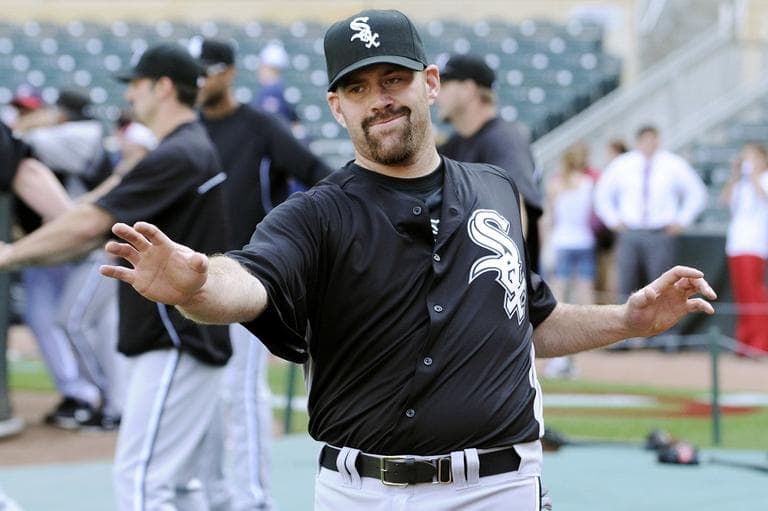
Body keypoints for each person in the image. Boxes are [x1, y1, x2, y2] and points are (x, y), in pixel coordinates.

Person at [99, 10, 717, 511]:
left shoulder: (495, 190)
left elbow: (526, 320)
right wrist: (198, 284)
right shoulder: (314, 214)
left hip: (499, 488)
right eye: (358, 88)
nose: (379, 100)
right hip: (361, 491)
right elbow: (251, 280)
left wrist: (627, 320)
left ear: (430, 83)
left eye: (393, 79)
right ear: (337, 106)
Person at [0, 43, 233, 510]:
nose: (130, 95)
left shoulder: (179, 152)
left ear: (163, 87)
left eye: (137, 85)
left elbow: (88, 226)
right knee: (188, 489)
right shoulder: (186, 147)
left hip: (173, 340)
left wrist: (10, 255)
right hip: (189, 338)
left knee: (143, 487)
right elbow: (92, 214)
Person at [193, 36, 332, 510]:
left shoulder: (259, 125)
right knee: (206, 394)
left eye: (208, 69)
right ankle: (216, 496)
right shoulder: (189, 130)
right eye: (194, 71)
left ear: (230, 72)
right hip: (194, 280)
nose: (200, 80)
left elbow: (315, 170)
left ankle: (253, 500)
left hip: (249, 275)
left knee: (241, 389)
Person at [436, 53, 544, 271]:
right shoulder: (455, 144)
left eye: (444, 85)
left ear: (468, 89)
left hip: (494, 279)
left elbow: (513, 206)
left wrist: (499, 280)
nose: (436, 95)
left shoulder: (503, 139)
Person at [0, 120, 73, 439]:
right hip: (49, 247)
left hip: (55, 253)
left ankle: (87, 397)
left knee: (65, 321)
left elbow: (25, 169)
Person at [594, 125, 707, 304]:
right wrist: (613, 220)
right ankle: (625, 320)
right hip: (630, 231)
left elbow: (696, 192)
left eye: (652, 139)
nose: (649, 144)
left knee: (661, 284)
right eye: (645, 140)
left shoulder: (672, 163)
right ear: (638, 142)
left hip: (660, 232)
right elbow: (601, 193)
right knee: (626, 283)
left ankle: (661, 321)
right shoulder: (623, 164)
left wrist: (682, 221)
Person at [540, 145, 597, 378]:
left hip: (563, 241)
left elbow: (548, 218)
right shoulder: (587, 183)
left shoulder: (556, 184)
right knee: (584, 295)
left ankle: (563, 350)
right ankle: (584, 342)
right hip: (582, 241)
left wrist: (546, 245)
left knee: (560, 295)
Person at [721, 142, 768, 355]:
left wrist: (755, 175)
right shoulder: (741, 184)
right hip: (736, 244)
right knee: (741, 296)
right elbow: (725, 201)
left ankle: (760, 343)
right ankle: (745, 342)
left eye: (752, 156)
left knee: (754, 294)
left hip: (755, 245)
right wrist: (735, 175)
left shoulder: (764, 179)